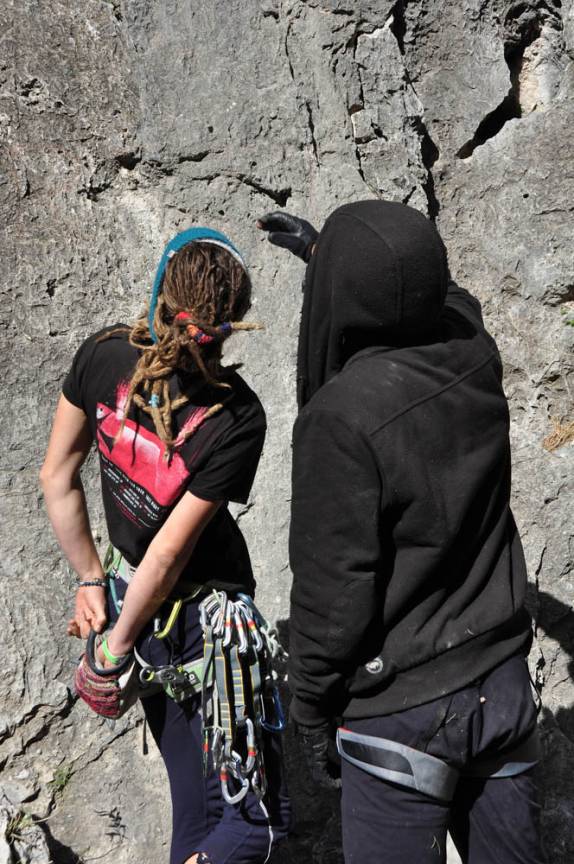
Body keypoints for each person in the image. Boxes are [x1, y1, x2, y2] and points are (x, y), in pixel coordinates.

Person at [258, 202, 547, 864]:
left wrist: (310, 711)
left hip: (401, 713)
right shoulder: (473, 351)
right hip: (500, 684)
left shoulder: (341, 418)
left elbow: (335, 592)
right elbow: (445, 293)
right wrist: (332, 257)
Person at [40, 227, 290, 864]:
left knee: (199, 811)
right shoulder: (235, 415)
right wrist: (115, 648)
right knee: (252, 823)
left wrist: (92, 580)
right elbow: (171, 553)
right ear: (231, 324)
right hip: (207, 629)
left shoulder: (102, 354)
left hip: (140, 611)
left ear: (160, 294)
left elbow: (57, 475)